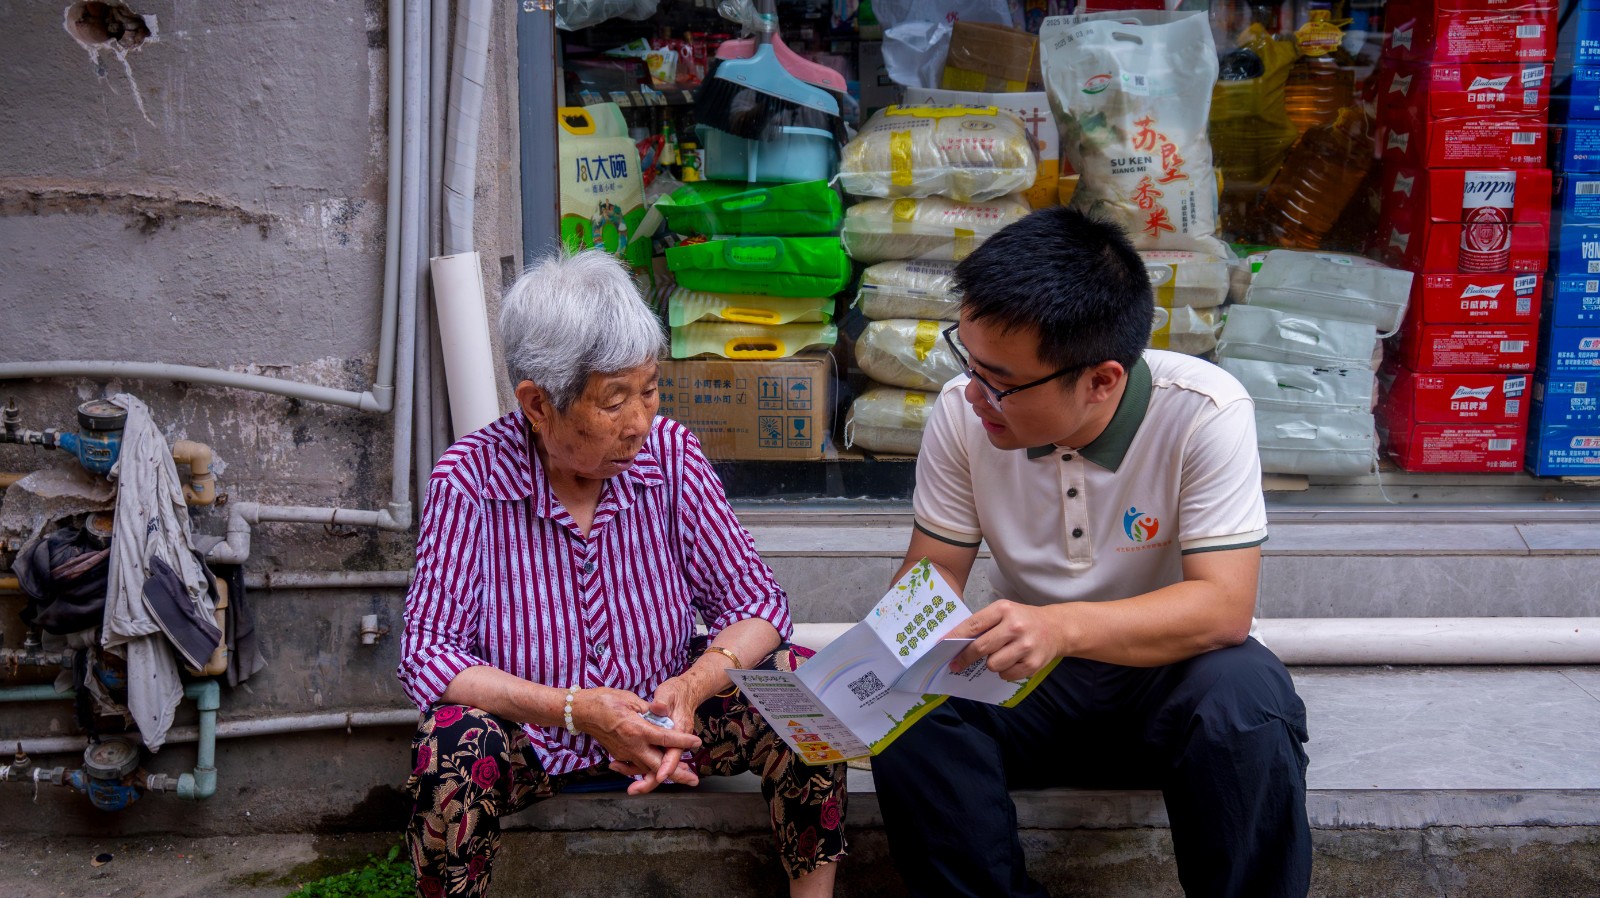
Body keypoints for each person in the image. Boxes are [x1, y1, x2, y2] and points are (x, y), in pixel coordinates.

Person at [872, 207, 1310, 898]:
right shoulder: (962, 414)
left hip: (1171, 673)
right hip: (1035, 681)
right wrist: (864, 665)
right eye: (969, 361)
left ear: (1101, 380)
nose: (977, 395)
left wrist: (1060, 626)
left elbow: (1224, 608)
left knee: (1246, 698)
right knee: (911, 709)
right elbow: (931, 579)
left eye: (1002, 382)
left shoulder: (1203, 410)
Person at [397, 249, 846, 898]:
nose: (639, 422)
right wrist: (574, 709)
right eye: (613, 401)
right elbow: (429, 654)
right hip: (538, 737)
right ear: (537, 404)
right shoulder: (470, 480)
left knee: (804, 688)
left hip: (671, 719)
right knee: (452, 744)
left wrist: (690, 690)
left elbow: (757, 603)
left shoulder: (670, 454)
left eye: (650, 388)